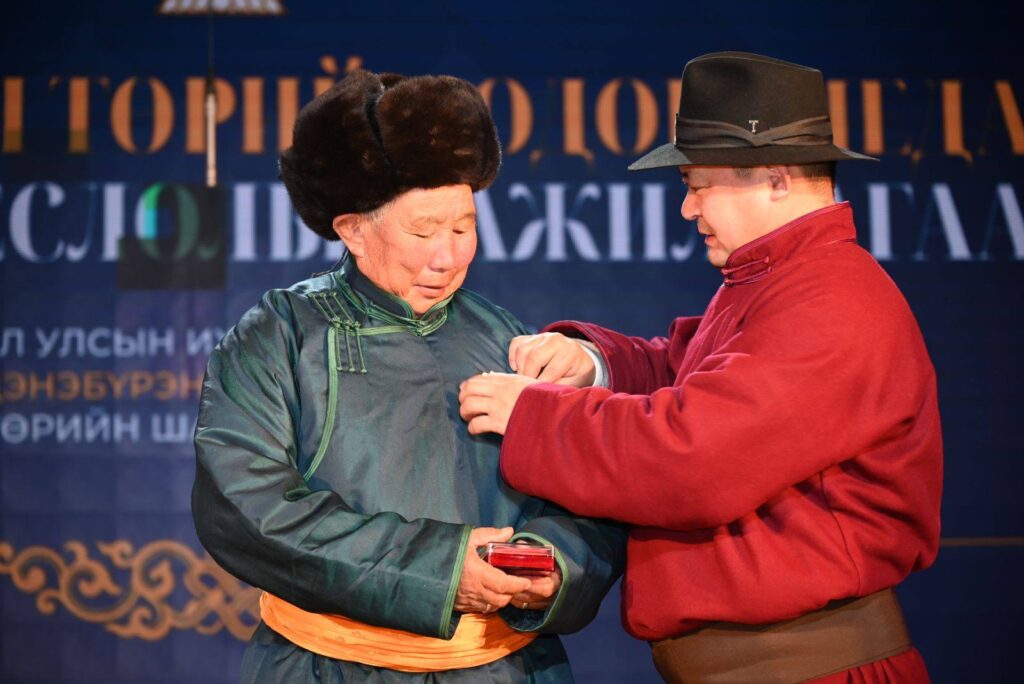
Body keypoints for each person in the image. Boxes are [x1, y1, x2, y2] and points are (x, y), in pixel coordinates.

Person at [459, 52, 942, 683]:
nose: (687, 209)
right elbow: (688, 373)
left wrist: (533, 415)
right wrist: (593, 364)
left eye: (697, 185)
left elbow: (695, 458)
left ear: (774, 179)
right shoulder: (781, 279)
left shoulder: (834, 298)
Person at [192, 70, 625, 683]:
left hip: (503, 669)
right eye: (422, 231)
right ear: (352, 230)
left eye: (463, 227)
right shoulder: (279, 336)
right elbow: (246, 508)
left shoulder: (508, 337)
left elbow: (587, 494)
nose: (447, 256)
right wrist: (440, 570)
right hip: (328, 669)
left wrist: (554, 563)